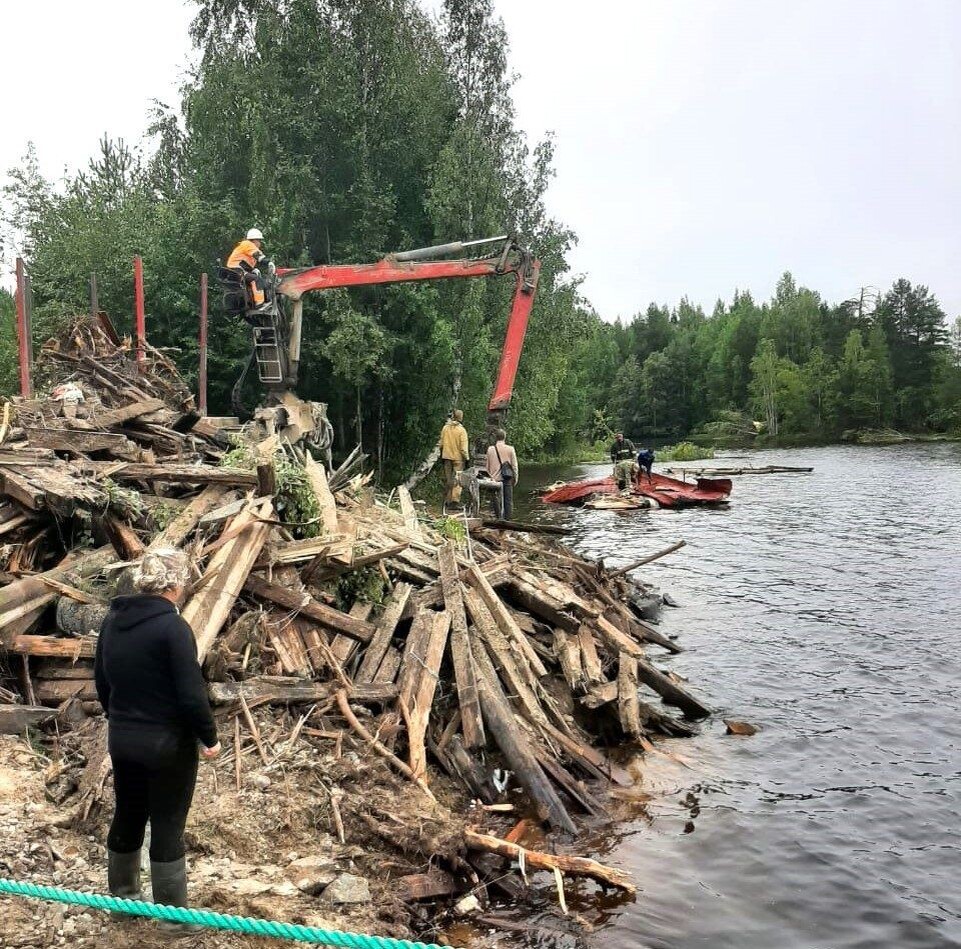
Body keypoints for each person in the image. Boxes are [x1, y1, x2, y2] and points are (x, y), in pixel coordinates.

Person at [95, 547, 220, 916]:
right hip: (167, 745)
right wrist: (209, 738)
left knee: (128, 814)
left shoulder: (112, 622)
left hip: (123, 738)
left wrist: (119, 719)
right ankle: (173, 919)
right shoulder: (173, 628)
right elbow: (191, 693)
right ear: (176, 584)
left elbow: (102, 681)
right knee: (167, 824)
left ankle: (124, 900)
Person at [226, 227, 274, 314]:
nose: (260, 243)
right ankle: (260, 304)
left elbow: (244, 263)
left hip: (237, 271)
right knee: (256, 280)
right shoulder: (248, 244)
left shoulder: (246, 247)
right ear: (254, 240)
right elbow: (259, 256)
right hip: (236, 271)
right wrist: (269, 263)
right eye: (259, 241)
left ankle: (252, 302)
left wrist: (253, 269)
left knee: (256, 279)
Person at [439, 409, 470, 509]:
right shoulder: (462, 430)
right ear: (461, 417)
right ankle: (454, 501)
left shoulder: (445, 428)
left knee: (448, 479)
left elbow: (441, 444)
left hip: (446, 456)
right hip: (458, 458)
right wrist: (467, 458)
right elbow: (463, 448)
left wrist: (442, 454)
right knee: (458, 479)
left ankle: (446, 500)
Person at [485, 428, 519, 519]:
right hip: (506, 478)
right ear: (505, 437)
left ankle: (498, 518)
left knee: (495, 501)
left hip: (494, 480)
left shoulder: (490, 449)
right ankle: (507, 522)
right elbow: (514, 466)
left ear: (496, 438)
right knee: (508, 502)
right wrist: (515, 479)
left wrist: (491, 476)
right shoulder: (510, 449)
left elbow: (487, 467)